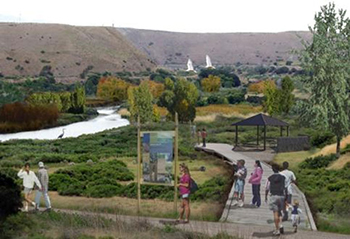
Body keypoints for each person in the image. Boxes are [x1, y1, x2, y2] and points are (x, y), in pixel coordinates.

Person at [265, 164, 286, 236]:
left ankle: (277, 230)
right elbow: (285, 187)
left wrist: (266, 196)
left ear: (272, 169)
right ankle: (281, 225)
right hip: (281, 196)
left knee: (275, 213)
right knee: (280, 212)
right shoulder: (283, 177)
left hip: (274, 196)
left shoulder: (270, 178)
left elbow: (267, 188)